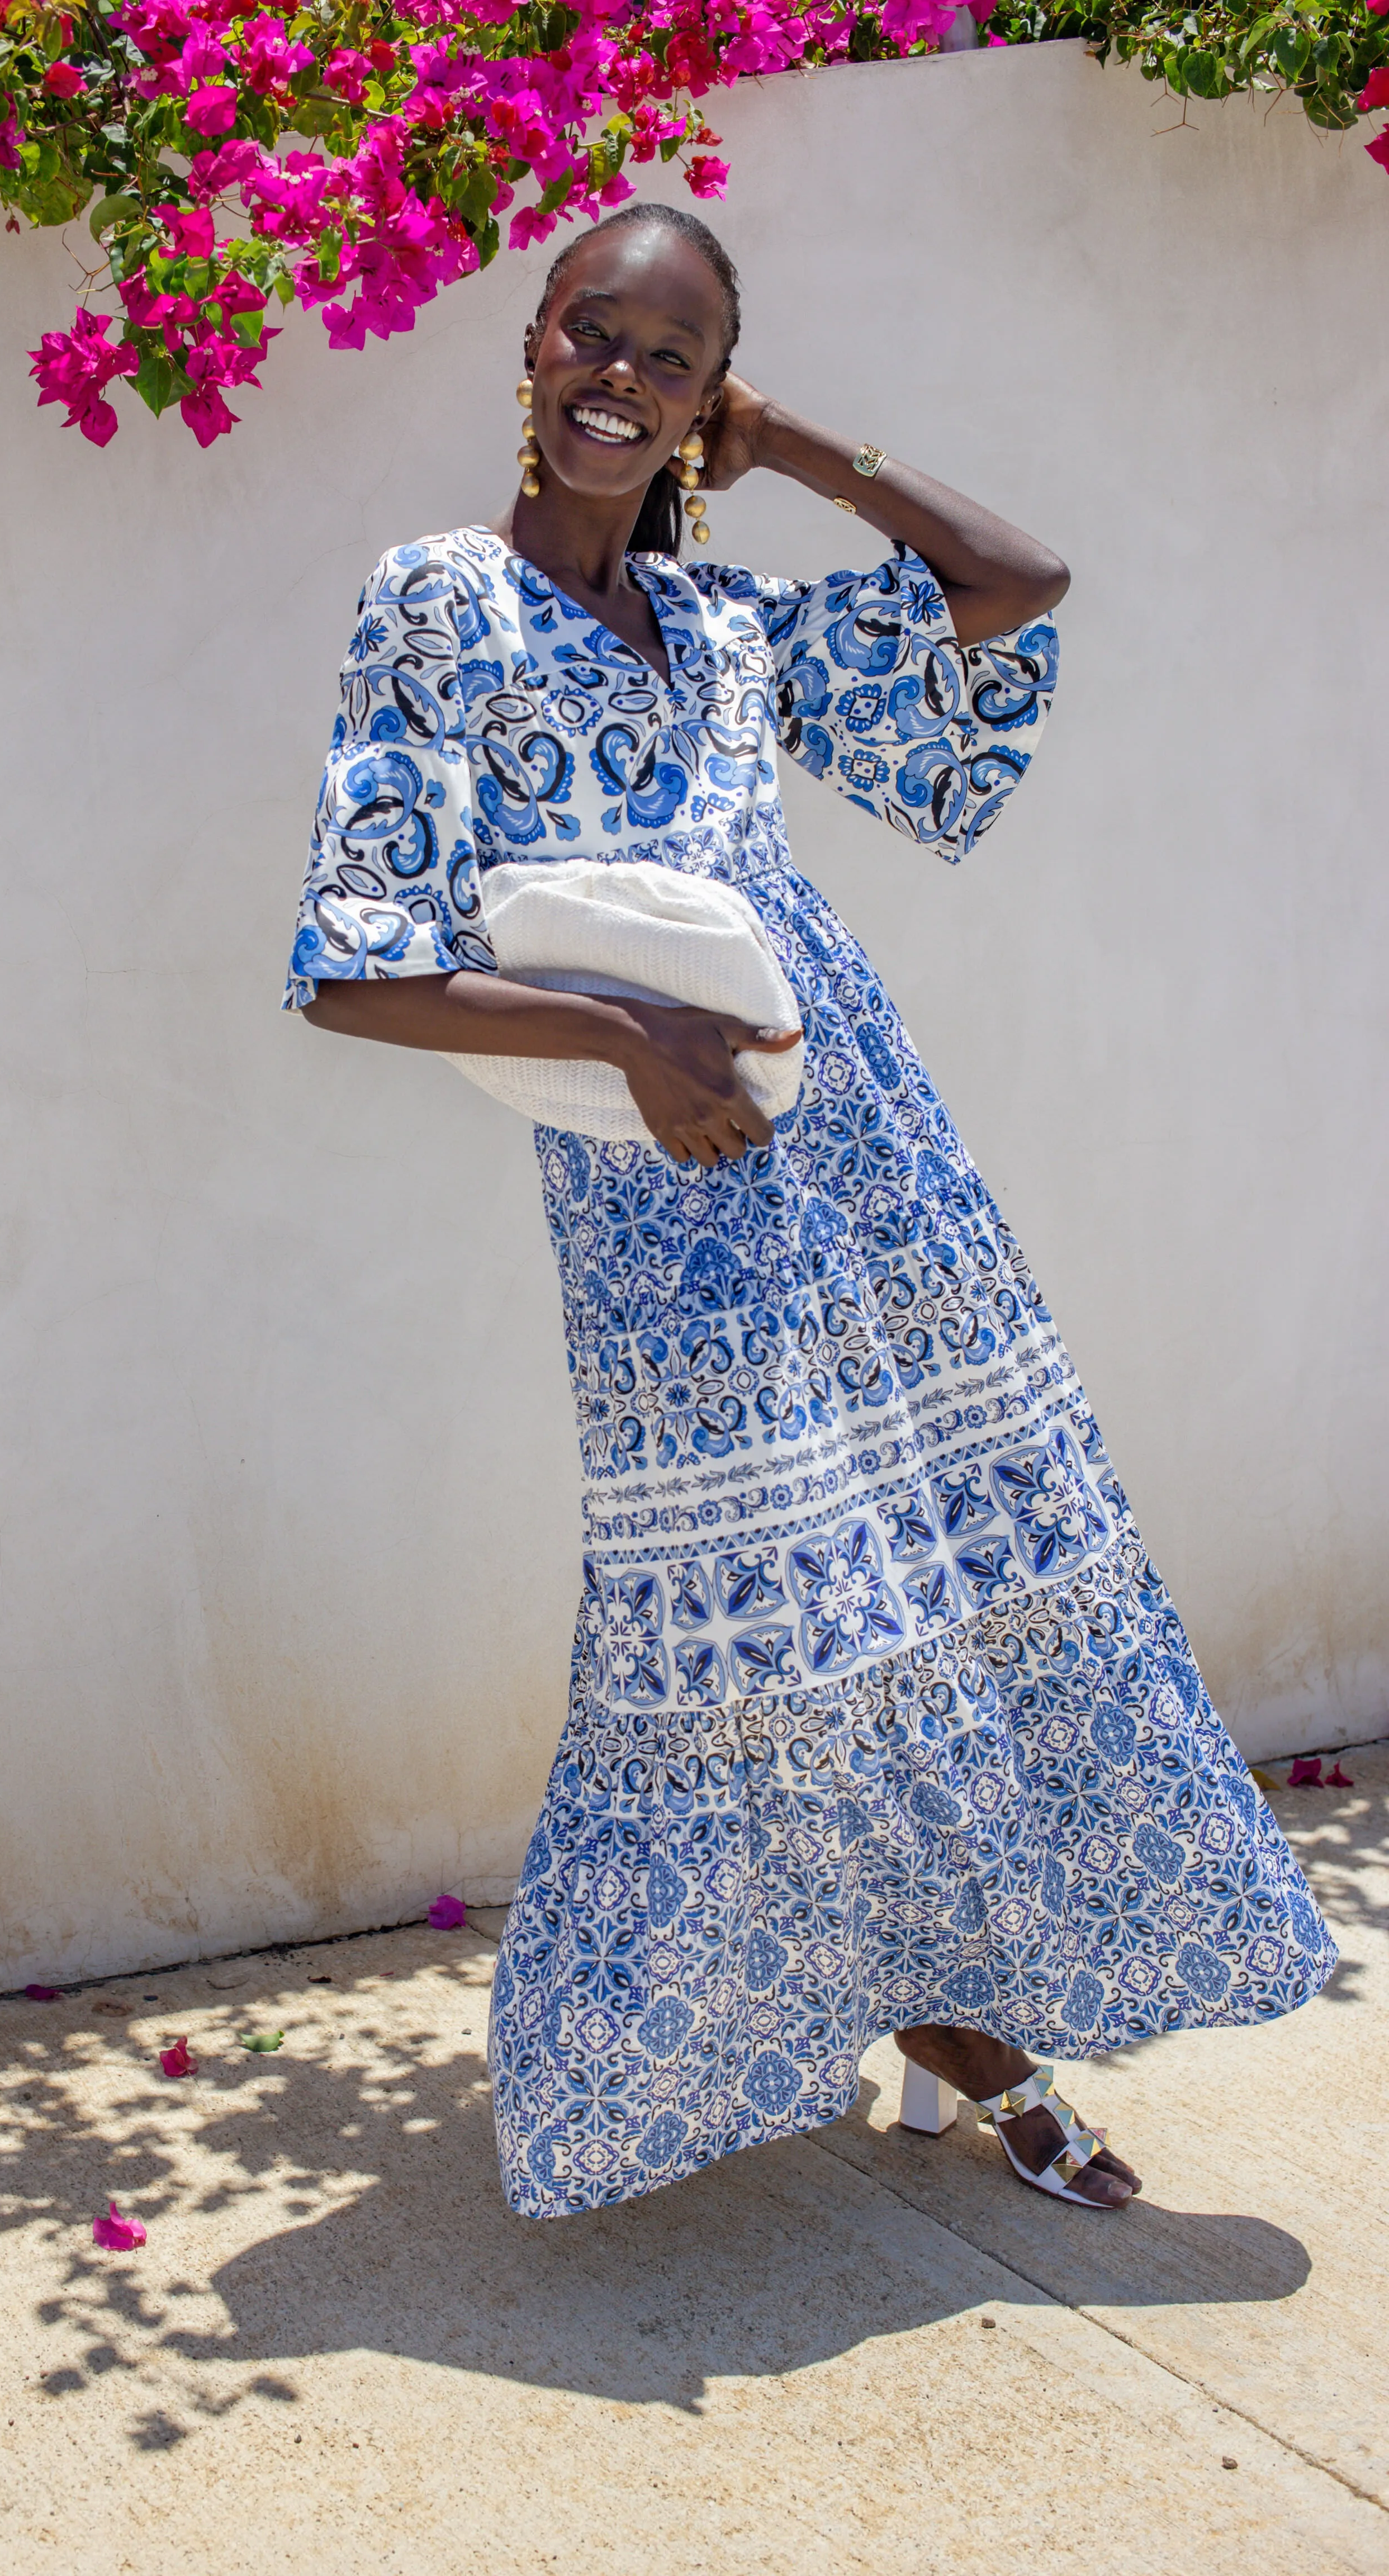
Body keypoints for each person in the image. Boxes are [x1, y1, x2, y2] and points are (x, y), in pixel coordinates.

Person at [285, 201, 1335, 2218]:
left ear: (704, 398)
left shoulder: (737, 626)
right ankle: (820, 2037)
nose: (621, 378)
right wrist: (629, 1046)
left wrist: (798, 447)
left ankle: (960, 2014)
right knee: (749, 1643)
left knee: (940, 1582)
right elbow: (354, 961)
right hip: (669, 1201)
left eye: (669, 361)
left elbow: (1019, 585)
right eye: (594, 335)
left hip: (875, 1169)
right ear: (529, 346)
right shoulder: (438, 602)